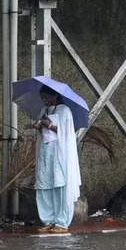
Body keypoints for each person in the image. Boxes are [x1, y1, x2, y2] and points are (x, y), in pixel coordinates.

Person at [33, 85, 81, 234]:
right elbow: (43, 132)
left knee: (60, 185)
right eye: (42, 98)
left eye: (46, 97)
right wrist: (39, 126)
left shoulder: (64, 111)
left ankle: (62, 222)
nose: (44, 100)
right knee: (45, 186)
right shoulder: (43, 111)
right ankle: (48, 220)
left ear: (54, 96)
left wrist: (50, 125)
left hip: (60, 153)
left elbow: (67, 133)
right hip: (46, 152)